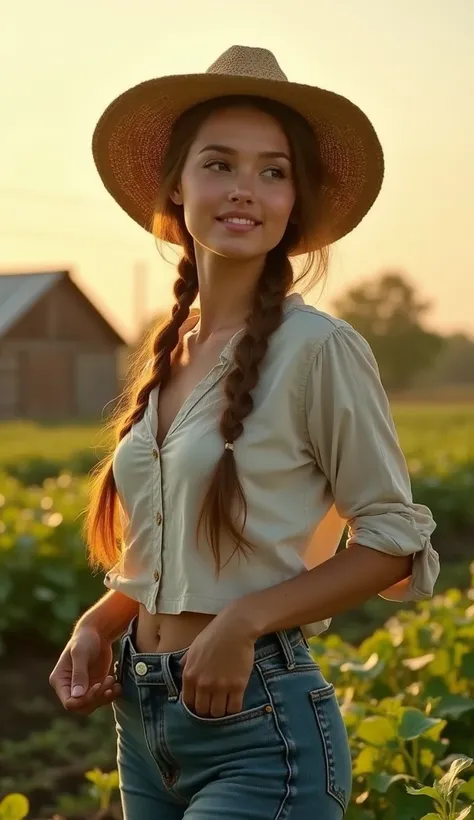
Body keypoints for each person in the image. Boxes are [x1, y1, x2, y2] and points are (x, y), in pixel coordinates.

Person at [49, 45, 440, 819]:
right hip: (143, 721)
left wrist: (245, 619)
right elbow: (166, 550)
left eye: (274, 171)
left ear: (296, 201)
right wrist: (102, 621)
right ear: (176, 185)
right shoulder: (168, 352)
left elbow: (394, 538)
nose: (245, 191)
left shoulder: (319, 349)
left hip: (263, 728)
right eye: (219, 164)